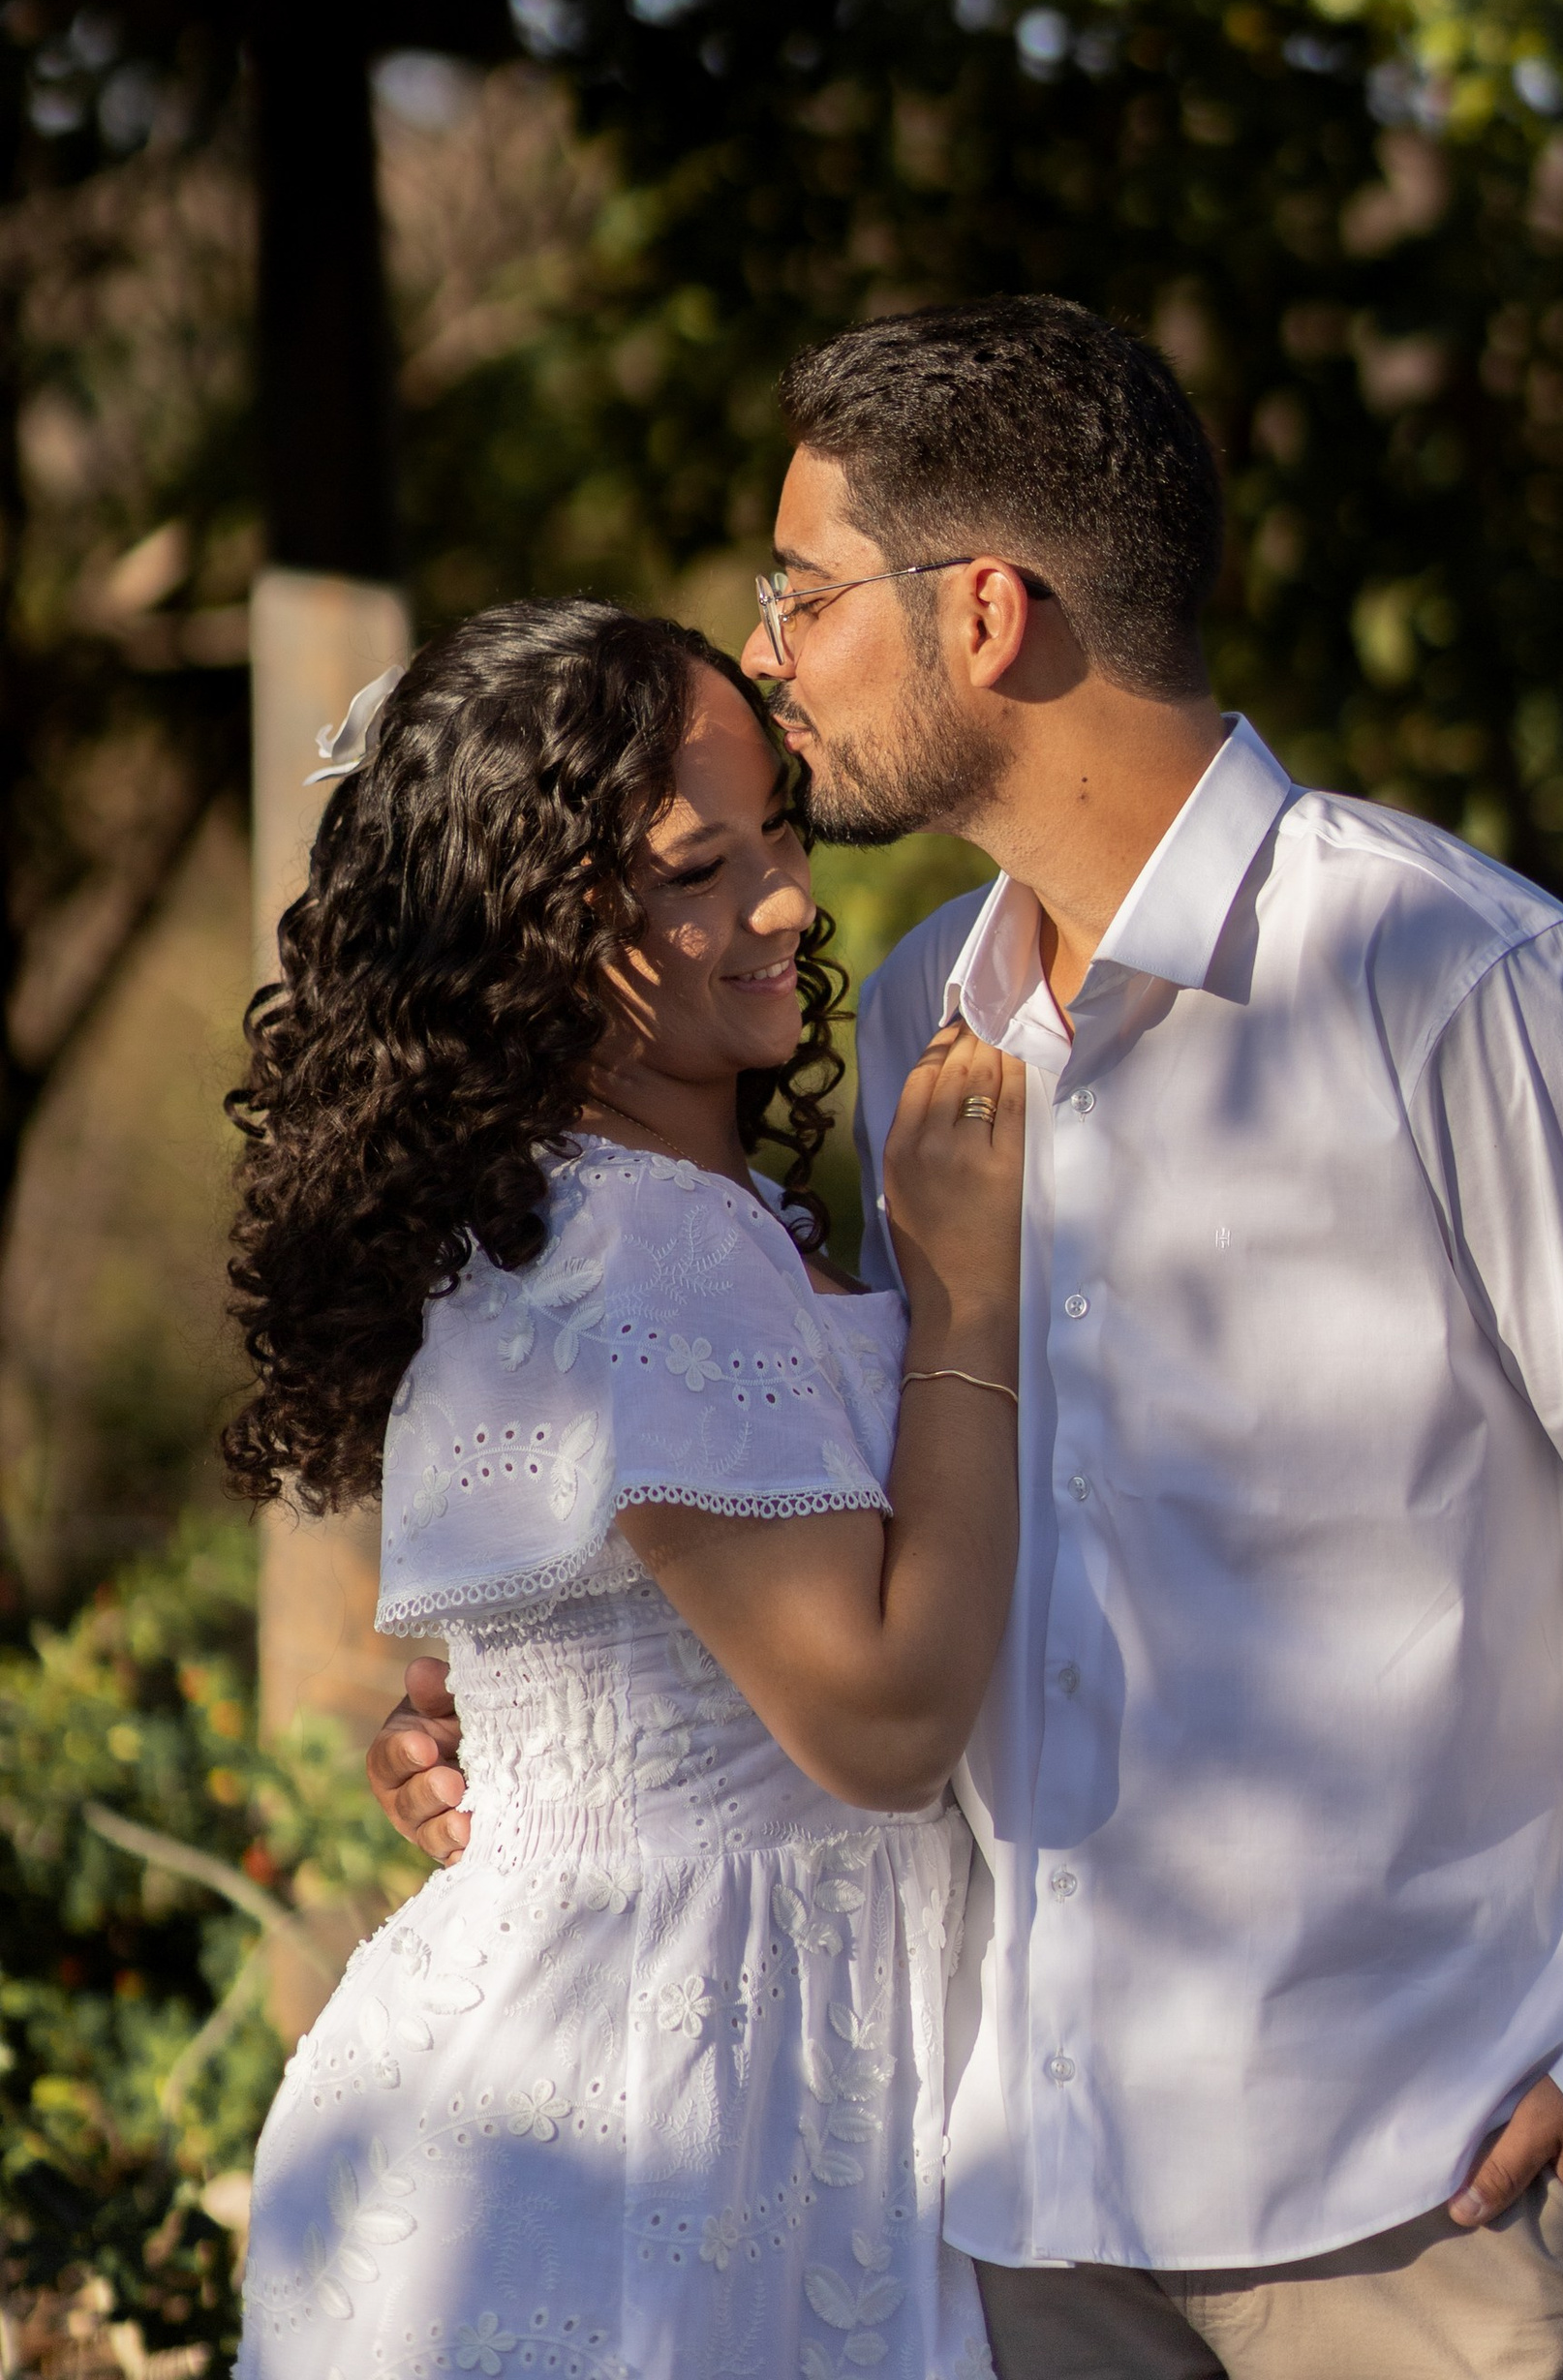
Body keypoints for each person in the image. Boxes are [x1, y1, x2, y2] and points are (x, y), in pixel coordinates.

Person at [374, 299, 1563, 2380]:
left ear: (984, 610)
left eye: (800, 592)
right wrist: (544, 1702)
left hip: (1419, 2203)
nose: (770, 655)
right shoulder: (909, 1026)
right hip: (1010, 2214)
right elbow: (868, 1532)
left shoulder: (1456, 977)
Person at [229, 598, 1027, 2380]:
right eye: (697, 868)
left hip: (590, 2077)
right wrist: (971, 1295)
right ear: (541, 925)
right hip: (675, 2124)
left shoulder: (570, 1209)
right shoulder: (647, 1241)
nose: (789, 905)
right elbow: (885, 1722)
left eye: (783, 839)